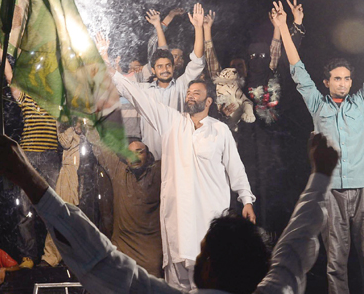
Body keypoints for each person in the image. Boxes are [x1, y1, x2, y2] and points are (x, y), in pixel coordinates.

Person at [0, 130, 338, 294]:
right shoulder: (276, 290)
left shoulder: (161, 173)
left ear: (210, 267)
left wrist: (27, 177)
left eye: (202, 253)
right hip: (128, 245)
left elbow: (98, 258)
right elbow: (294, 248)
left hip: (150, 253)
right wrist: (320, 176)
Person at [274, 0, 364, 294]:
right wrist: (282, 28)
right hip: (332, 190)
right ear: (327, 82)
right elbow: (297, 70)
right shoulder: (317, 104)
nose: (343, 83)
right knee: (336, 262)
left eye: (347, 78)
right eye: (337, 79)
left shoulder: (362, 102)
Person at [107, 57, 256, 289]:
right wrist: (113, 72)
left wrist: (246, 200)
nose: (190, 95)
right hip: (177, 222)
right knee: (176, 286)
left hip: (209, 220)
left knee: (208, 281)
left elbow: (236, 168)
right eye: (188, 92)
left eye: (196, 93)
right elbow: (140, 98)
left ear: (208, 101)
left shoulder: (220, 130)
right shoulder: (172, 123)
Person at [0, 28, 57, 268]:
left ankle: (54, 255)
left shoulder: (56, 100)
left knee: (55, 207)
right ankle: (28, 256)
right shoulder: (26, 95)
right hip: (27, 156)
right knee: (25, 207)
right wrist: (1, 51)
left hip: (51, 156)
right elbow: (10, 78)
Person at [105, 5, 206, 161]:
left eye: (168, 65)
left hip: (178, 157)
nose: (164, 69)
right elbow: (121, 83)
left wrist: (199, 29)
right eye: (159, 66)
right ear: (153, 69)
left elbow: (197, 62)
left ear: (173, 67)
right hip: (150, 160)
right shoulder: (144, 91)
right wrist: (105, 58)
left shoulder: (181, 86)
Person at [86, 129, 163, 277]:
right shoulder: (119, 172)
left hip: (152, 256)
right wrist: (85, 122)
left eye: (139, 152)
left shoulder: (158, 172)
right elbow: (98, 144)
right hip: (123, 250)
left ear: (148, 156)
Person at [41, 120, 86, 267]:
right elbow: (64, 142)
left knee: (86, 217)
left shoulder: (89, 114)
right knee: (62, 213)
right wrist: (74, 127)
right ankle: (51, 256)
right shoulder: (64, 117)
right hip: (70, 172)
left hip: (89, 170)